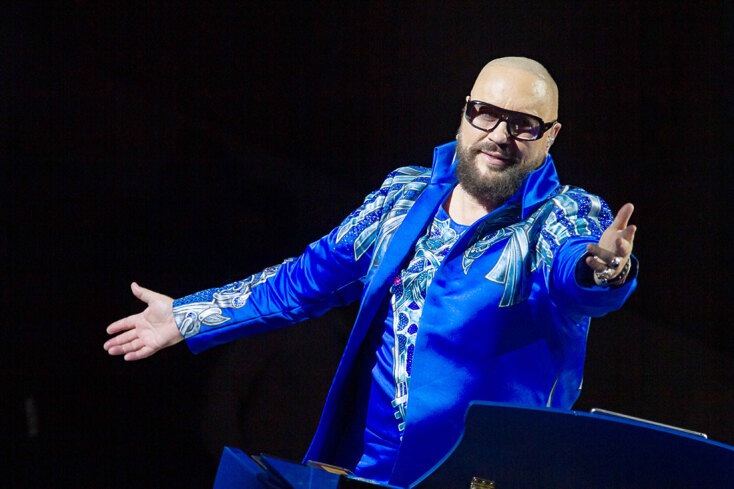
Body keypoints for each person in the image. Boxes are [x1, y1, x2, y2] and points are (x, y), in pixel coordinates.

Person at [104, 56, 638, 487]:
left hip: (482, 477)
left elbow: (578, 269)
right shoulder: (402, 197)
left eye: (523, 124)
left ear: (550, 136)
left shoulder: (563, 214)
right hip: (369, 471)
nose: (499, 135)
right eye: (485, 113)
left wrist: (605, 269)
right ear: (465, 112)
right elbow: (302, 282)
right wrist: (187, 316)